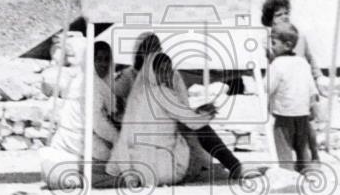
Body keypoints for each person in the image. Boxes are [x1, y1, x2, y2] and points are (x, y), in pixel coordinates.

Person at [113, 32, 252, 181]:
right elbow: (111, 101)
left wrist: (198, 114)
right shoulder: (128, 76)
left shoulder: (171, 75)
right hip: (137, 129)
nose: (151, 54)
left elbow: (182, 105)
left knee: (201, 127)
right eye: (147, 49)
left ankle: (233, 165)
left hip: (167, 126)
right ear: (139, 52)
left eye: (155, 48)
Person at [108, 52, 214, 186]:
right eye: (162, 71)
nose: (166, 75)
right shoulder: (163, 92)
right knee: (193, 147)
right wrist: (208, 113)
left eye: (168, 71)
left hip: (135, 164)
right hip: (160, 167)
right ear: (153, 72)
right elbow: (193, 122)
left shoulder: (138, 96)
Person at [261, 0, 321, 160]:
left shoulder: (298, 37)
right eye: (279, 15)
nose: (284, 16)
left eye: (286, 13)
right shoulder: (270, 42)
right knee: (285, 130)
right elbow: (270, 70)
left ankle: (313, 158)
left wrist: (318, 78)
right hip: (283, 91)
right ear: (270, 20)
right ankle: (294, 163)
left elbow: (310, 59)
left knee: (307, 131)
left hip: (302, 89)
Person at [267, 23, 319, 172]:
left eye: (274, 43)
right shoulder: (302, 63)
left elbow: (268, 87)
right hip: (302, 113)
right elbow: (311, 87)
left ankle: (286, 171)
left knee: (283, 144)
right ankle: (307, 170)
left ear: (287, 45)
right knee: (302, 144)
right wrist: (311, 104)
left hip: (284, 115)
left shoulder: (276, 64)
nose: (272, 47)